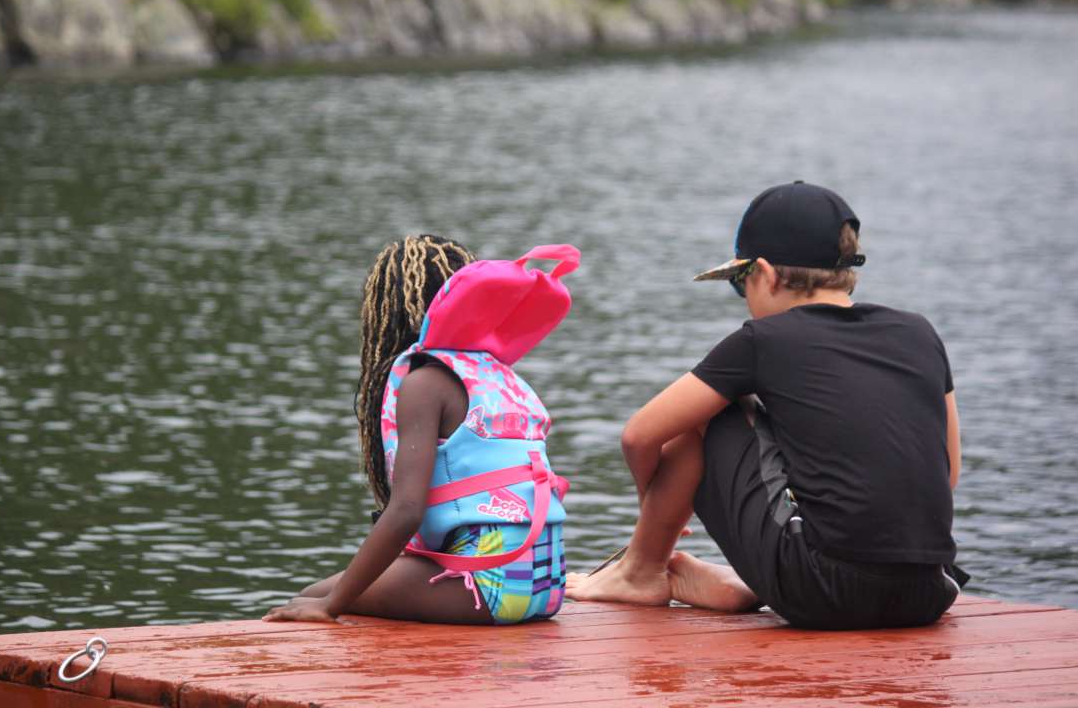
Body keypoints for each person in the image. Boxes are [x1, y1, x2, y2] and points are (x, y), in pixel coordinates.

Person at [567, 182, 966, 630]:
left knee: (704, 412)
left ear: (764, 274)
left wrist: (654, 501)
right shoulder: (919, 334)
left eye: (740, 284)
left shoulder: (763, 341)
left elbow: (639, 434)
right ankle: (742, 579)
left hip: (820, 591)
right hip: (929, 592)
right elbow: (947, 472)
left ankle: (641, 571)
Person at [264, 235, 576, 625]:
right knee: (324, 593)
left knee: (312, 597)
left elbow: (407, 510)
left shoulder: (425, 382)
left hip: (491, 587)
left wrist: (331, 607)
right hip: (547, 587)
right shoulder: (497, 376)